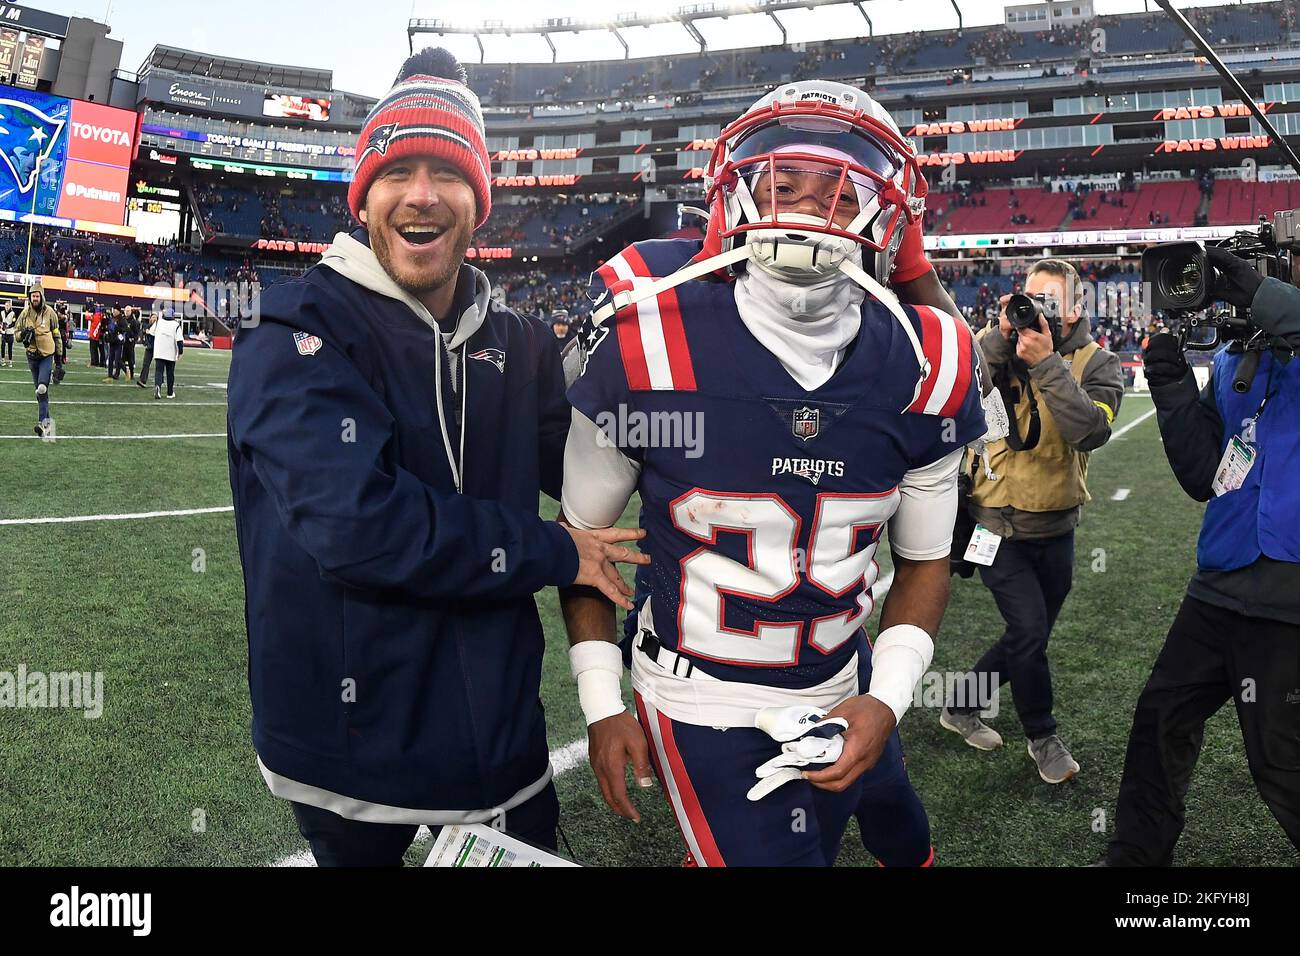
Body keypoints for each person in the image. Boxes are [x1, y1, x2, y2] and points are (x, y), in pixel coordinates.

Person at [227, 47, 648, 867]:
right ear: (364, 197)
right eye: (398, 172)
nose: (421, 195)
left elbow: (590, 469)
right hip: (345, 746)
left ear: (479, 201)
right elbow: (358, 525)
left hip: (499, 735)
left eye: (448, 173)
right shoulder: (293, 330)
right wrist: (556, 550)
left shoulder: (519, 340)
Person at [559, 79, 989, 866]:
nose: (804, 211)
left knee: (895, 813)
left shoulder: (928, 359)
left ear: (885, 214)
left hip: (841, 664)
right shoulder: (649, 326)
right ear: (736, 196)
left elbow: (925, 562)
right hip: (700, 692)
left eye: (836, 193)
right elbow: (586, 543)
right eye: (783, 186)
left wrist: (886, 700)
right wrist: (599, 698)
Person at [1100, 246, 1300, 864]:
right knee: (1161, 721)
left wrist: (1252, 290)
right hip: (1220, 582)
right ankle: (1134, 863)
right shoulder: (1239, 354)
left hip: (1288, 593)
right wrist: (1169, 385)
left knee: (1280, 760)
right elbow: (1204, 475)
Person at [940, 259, 1122, 783]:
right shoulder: (994, 347)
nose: (1035, 310)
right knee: (1029, 630)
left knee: (1028, 639)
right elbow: (964, 390)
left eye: (1048, 301)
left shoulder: (1098, 362)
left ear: (1074, 309)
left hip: (1057, 527)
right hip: (992, 524)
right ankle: (1042, 736)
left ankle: (958, 704)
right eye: (1029, 297)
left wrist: (1047, 364)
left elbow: (1089, 431)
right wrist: (999, 338)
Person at [17, 285, 58, 437]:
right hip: (32, 356)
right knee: (41, 393)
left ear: (41, 296)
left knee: (42, 388)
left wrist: (59, 360)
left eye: (37, 296)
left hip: (47, 355)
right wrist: (23, 334)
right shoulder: (25, 313)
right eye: (32, 296)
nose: (35, 298)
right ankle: (48, 427)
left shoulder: (50, 313)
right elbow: (16, 334)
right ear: (30, 297)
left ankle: (42, 424)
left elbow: (57, 334)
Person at [151, 308, 184, 399]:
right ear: (173, 316)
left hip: (159, 351)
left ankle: (158, 386)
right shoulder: (176, 325)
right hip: (170, 352)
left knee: (158, 371)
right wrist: (180, 353)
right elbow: (180, 341)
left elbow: (151, 333)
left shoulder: (159, 322)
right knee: (170, 373)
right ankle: (170, 393)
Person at [137, 311, 157, 388]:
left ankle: (160, 380)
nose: (154, 318)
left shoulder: (159, 327)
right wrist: (144, 342)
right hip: (149, 348)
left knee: (160, 365)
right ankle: (143, 380)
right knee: (146, 364)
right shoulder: (147, 326)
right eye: (153, 317)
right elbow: (142, 333)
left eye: (155, 317)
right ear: (150, 318)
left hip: (158, 349)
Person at [1, 301, 16, 367]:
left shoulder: (13, 313)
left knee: (10, 348)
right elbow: (0, 321)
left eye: (8, 305)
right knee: (3, 346)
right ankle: (3, 360)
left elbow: (14, 323)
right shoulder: (2, 312)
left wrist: (7, 326)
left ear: (10, 306)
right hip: (4, 333)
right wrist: (1, 328)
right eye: (6, 305)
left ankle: (10, 361)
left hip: (10, 333)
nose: (6, 307)